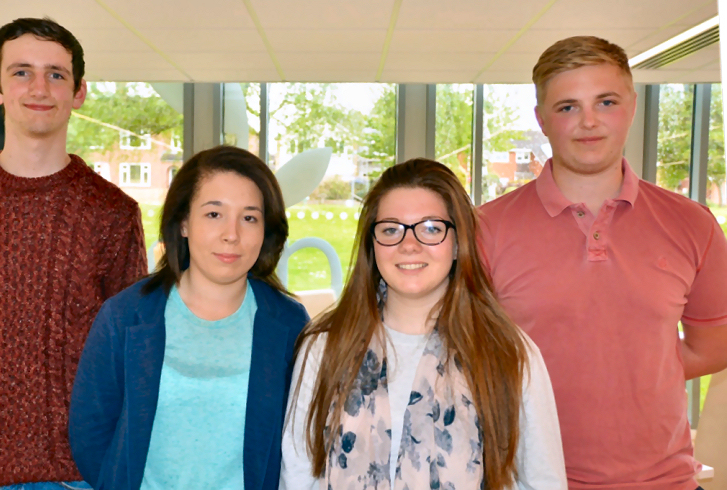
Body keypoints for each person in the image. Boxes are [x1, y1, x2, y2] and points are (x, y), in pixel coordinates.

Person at [479, 36, 727, 490]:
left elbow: (713, 347)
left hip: (666, 482)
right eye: (568, 106)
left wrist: (631, 366)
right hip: (529, 481)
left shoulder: (693, 224)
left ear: (631, 106)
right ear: (542, 120)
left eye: (606, 101)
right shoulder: (485, 229)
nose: (588, 122)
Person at [0, 17, 147, 490]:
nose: (39, 87)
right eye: (21, 71)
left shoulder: (113, 213)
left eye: (56, 74)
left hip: (73, 470)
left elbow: (126, 350)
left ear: (79, 92)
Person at [281, 159, 566, 490]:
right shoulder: (325, 347)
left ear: (459, 243)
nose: (409, 244)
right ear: (372, 246)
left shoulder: (508, 352)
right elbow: (297, 476)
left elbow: (544, 482)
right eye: (391, 229)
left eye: (431, 228)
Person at [69, 145, 310, 490]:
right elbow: (89, 432)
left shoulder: (288, 323)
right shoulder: (125, 317)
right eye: (214, 214)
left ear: (265, 230)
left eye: (249, 217)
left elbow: (300, 440)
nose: (232, 234)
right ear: (183, 222)